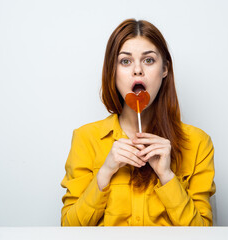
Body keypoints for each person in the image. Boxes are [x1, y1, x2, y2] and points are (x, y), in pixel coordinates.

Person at [60, 19, 216, 226]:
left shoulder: (198, 143)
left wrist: (167, 176)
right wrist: (105, 172)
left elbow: (204, 232)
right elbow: (68, 229)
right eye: (125, 61)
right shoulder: (85, 139)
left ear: (165, 69)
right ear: (112, 72)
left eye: (149, 60)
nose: (137, 70)